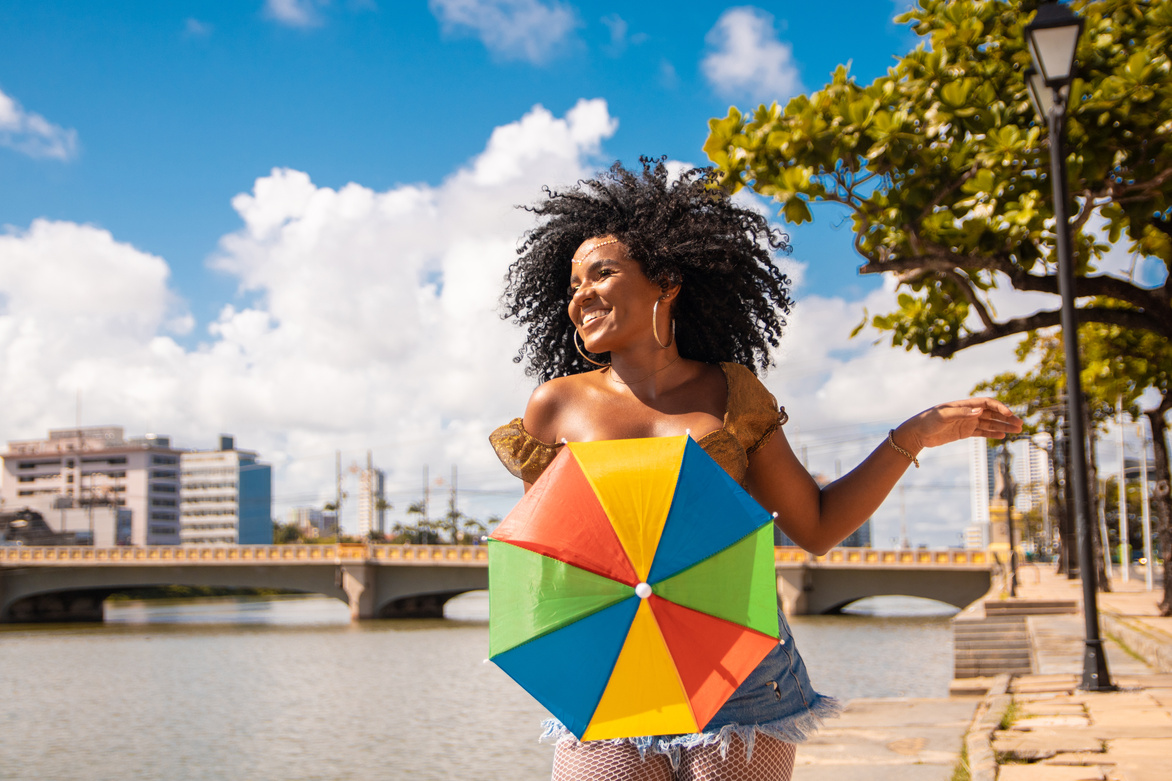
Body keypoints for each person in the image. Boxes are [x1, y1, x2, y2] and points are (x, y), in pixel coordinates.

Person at [490, 158, 1022, 781]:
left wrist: (914, 436)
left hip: (741, 677)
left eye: (601, 273)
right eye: (574, 283)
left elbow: (817, 526)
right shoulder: (553, 404)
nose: (581, 295)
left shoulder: (733, 392)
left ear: (665, 278)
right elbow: (552, 553)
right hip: (608, 672)